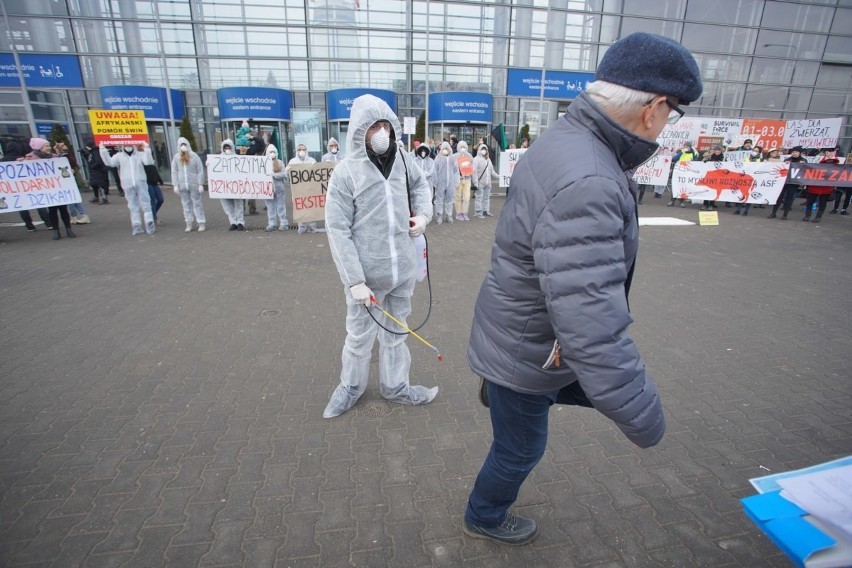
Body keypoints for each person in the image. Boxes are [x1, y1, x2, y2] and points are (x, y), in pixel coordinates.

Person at [463, 31, 702, 546]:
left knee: (576, 391)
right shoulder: (590, 176)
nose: (668, 123)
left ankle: (504, 389)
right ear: (654, 108)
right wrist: (643, 415)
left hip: (525, 335)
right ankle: (483, 514)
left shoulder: (569, 138)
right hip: (529, 349)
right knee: (520, 450)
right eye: (674, 112)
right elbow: (590, 324)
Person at [322, 94, 438, 419]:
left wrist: (424, 216)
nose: (382, 131)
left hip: (402, 269)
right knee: (359, 337)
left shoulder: (402, 159)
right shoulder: (346, 173)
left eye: (386, 124)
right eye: (375, 125)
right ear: (361, 130)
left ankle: (396, 386)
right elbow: (337, 227)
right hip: (367, 279)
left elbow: (420, 187)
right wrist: (354, 281)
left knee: (396, 334)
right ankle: (350, 389)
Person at [101, 143, 156, 235]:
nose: (128, 145)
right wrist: (102, 150)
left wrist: (146, 149)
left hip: (140, 182)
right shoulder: (119, 156)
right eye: (126, 144)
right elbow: (109, 163)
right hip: (127, 183)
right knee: (133, 205)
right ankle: (136, 225)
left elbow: (148, 162)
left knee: (146, 203)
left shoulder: (140, 155)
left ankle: (150, 224)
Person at [27, 138, 76, 240]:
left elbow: (67, 166)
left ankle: (68, 229)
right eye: (46, 146)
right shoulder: (31, 159)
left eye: (49, 145)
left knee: (63, 209)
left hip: (58, 188)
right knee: (52, 211)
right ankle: (56, 230)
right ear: (39, 147)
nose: (49, 148)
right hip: (45, 189)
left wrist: (69, 169)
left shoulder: (55, 157)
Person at [2, 141, 50, 232]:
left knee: (22, 207)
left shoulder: (3, 161)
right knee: (39, 203)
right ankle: (48, 223)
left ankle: (29, 226)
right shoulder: (23, 159)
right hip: (28, 185)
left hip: (14, 188)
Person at [171, 136, 206, 233]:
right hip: (182, 184)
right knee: (185, 204)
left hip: (193, 183)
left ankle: (201, 222)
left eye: (184, 144)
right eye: (181, 145)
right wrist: (175, 184)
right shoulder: (176, 157)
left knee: (197, 203)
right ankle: (189, 222)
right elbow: (174, 171)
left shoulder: (194, 156)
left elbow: (200, 170)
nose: (183, 146)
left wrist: (200, 183)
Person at [54, 141, 91, 225]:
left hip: (68, 180)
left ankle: (79, 215)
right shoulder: (63, 156)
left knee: (71, 198)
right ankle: (78, 215)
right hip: (66, 180)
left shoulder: (65, 157)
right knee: (72, 198)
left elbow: (72, 165)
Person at [214, 140, 245, 231]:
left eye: (229, 148)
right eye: (225, 148)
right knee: (227, 206)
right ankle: (233, 222)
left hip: (235, 186)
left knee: (238, 204)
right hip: (224, 186)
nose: (227, 150)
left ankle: (240, 222)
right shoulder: (217, 159)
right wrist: (209, 164)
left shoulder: (237, 158)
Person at [288, 143, 319, 234]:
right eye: (300, 149)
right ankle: (301, 226)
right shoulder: (292, 162)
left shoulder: (312, 160)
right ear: (297, 151)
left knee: (312, 206)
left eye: (303, 149)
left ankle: (312, 226)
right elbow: (287, 173)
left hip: (310, 189)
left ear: (306, 150)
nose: (302, 151)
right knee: (300, 207)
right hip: (298, 190)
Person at [770, 146, 806, 220]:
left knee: (789, 198)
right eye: (793, 152)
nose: (794, 153)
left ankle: (785, 214)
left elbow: (805, 171)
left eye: (796, 152)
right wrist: (785, 164)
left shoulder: (803, 160)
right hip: (784, 182)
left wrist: (803, 164)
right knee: (779, 198)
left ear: (800, 153)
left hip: (793, 183)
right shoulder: (787, 159)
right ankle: (773, 213)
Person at [804, 148, 839, 223]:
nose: (829, 154)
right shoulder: (819, 162)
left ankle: (818, 217)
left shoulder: (836, 164)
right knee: (810, 201)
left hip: (826, 187)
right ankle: (807, 215)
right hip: (815, 185)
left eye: (831, 152)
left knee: (823, 203)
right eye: (827, 152)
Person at [432, 141, 459, 224]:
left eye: (447, 148)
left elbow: (456, 171)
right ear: (441, 149)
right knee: (439, 199)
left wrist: (456, 181)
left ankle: (448, 215)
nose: (445, 150)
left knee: (449, 199)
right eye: (444, 148)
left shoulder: (453, 158)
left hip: (450, 182)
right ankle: (439, 215)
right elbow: (434, 170)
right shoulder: (438, 158)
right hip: (440, 182)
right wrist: (435, 182)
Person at [265, 144, 289, 232]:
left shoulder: (280, 162)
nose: (272, 153)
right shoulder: (264, 163)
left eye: (273, 152)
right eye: (270, 152)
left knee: (281, 206)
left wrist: (275, 175)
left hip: (279, 188)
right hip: (268, 189)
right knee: (270, 206)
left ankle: (283, 223)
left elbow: (284, 174)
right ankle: (272, 223)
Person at [735, 145, 763, 216]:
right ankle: (737, 209)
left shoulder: (761, 160)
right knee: (741, 193)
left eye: (757, 151)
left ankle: (746, 211)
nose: (755, 152)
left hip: (753, 179)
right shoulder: (747, 158)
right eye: (754, 150)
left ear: (759, 152)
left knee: (749, 194)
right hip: (745, 179)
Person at [668, 141, 696, 207]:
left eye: (687, 147)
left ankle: (681, 202)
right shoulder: (681, 152)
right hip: (678, 172)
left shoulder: (693, 154)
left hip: (686, 173)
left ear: (690, 147)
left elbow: (695, 162)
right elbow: (674, 159)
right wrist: (681, 152)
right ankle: (672, 200)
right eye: (685, 146)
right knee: (675, 186)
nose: (686, 148)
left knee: (684, 187)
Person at [82, 138, 110, 204]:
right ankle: (97, 197)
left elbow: (98, 161)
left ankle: (104, 198)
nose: (86, 148)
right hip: (94, 172)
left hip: (98, 171)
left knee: (100, 184)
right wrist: (83, 154)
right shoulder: (92, 152)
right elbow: (89, 160)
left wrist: (93, 166)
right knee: (94, 185)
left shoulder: (95, 152)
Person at [453, 141, 475, 221]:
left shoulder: (469, 156)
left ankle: (464, 213)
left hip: (467, 179)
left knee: (466, 197)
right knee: (458, 196)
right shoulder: (455, 156)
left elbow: (473, 166)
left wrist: (470, 170)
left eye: (464, 146)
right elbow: (453, 168)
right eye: (461, 146)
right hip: (458, 179)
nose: (462, 148)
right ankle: (458, 213)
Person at [472, 143, 495, 218]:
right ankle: (478, 211)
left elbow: (492, 171)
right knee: (479, 197)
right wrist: (475, 183)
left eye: (485, 150)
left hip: (488, 182)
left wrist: (499, 176)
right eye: (482, 149)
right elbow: (474, 172)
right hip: (480, 182)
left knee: (486, 197)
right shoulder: (476, 160)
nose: (484, 151)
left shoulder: (488, 159)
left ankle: (485, 210)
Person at [702, 145, 724, 210]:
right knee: (707, 189)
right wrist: (705, 160)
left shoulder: (723, 157)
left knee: (713, 191)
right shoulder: (710, 157)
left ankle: (711, 204)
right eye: (716, 150)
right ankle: (705, 204)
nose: (717, 151)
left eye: (719, 150)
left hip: (718, 177)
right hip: (710, 176)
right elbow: (703, 163)